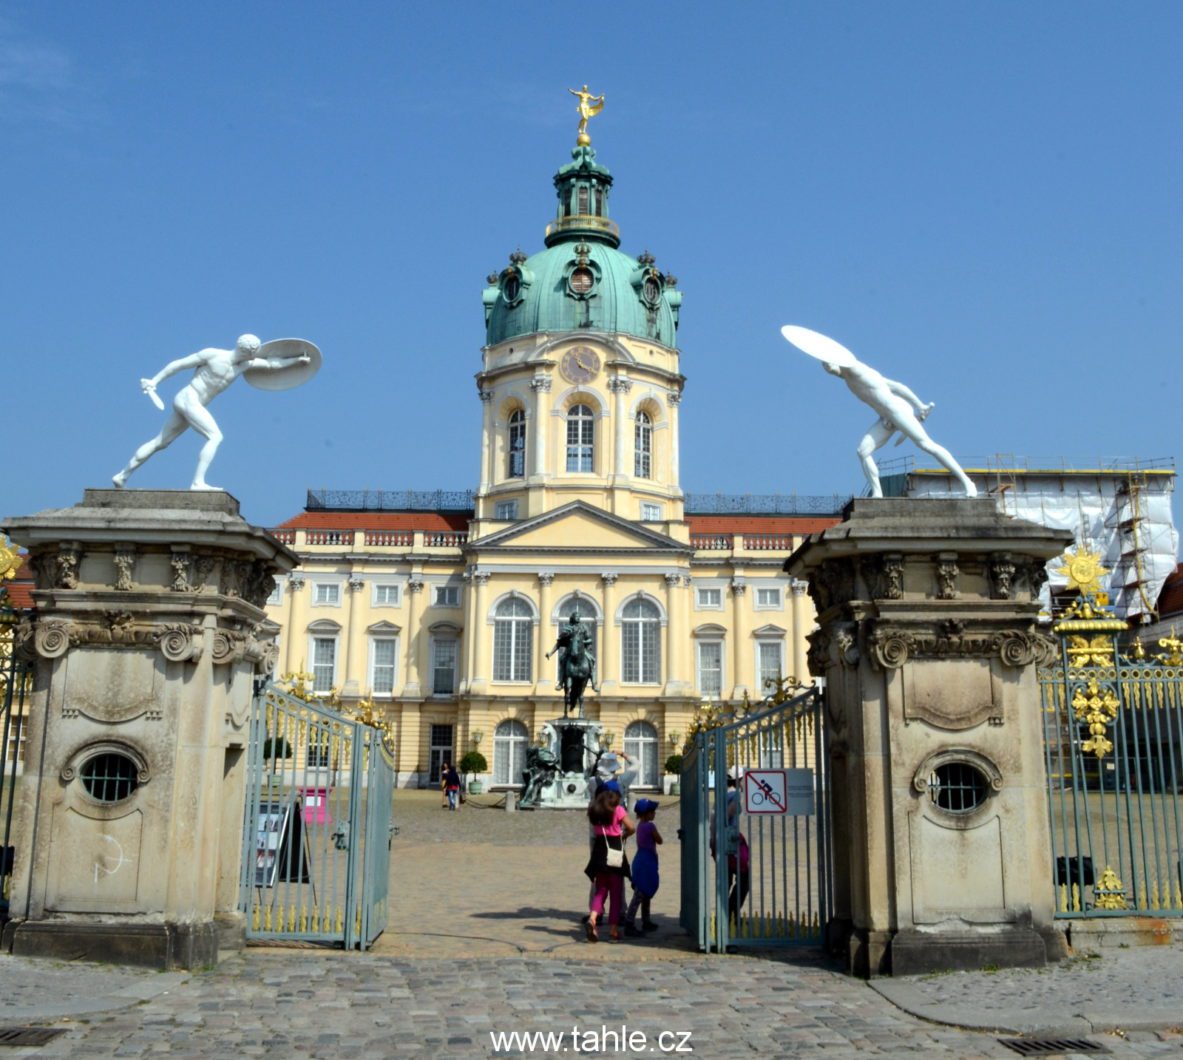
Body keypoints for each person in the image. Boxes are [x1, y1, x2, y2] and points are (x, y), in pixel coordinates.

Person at [112, 334, 310, 491]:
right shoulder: (213, 354)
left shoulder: (244, 365)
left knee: (160, 442)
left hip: (193, 403)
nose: (255, 354)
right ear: (249, 350)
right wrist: (155, 380)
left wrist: (298, 359)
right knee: (215, 436)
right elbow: (178, 365)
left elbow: (271, 364)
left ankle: (122, 476)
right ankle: (198, 483)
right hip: (189, 398)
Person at [584, 785, 634, 942]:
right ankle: (613, 930)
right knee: (615, 894)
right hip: (614, 855)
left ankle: (592, 918)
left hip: (599, 855)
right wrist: (624, 834)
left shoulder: (595, 811)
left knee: (600, 891)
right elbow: (632, 827)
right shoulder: (617, 810)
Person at [623, 798, 662, 937]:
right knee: (641, 894)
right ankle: (630, 922)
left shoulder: (640, 825)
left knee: (643, 892)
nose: (654, 814)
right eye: (653, 812)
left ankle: (646, 920)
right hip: (647, 862)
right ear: (647, 814)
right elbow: (660, 840)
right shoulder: (650, 826)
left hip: (640, 859)